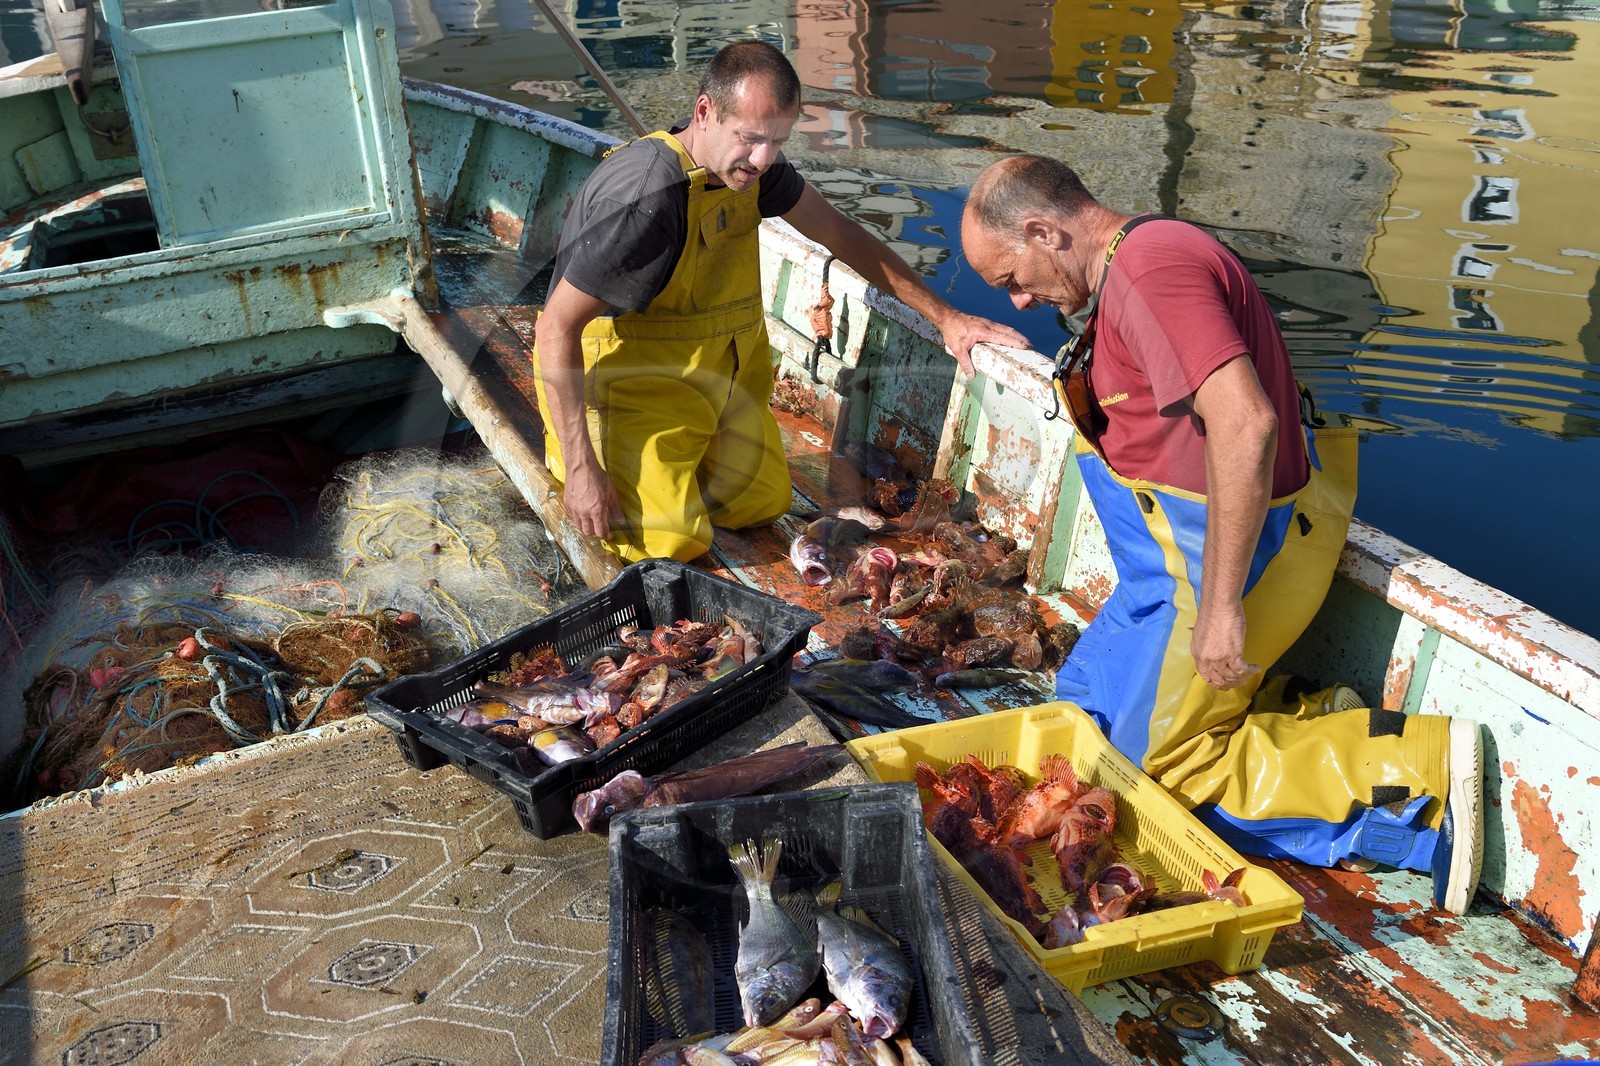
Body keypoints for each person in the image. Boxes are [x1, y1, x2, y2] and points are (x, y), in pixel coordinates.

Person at [960, 154, 1484, 915]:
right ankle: (1314, 712)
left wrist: (1221, 607)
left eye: (1011, 275)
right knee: (1079, 727)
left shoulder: (1151, 272)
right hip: (1160, 569)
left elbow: (1246, 420)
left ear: (1044, 230)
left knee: (1150, 783)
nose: (1017, 298)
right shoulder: (1123, 276)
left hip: (1230, 562)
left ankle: (1410, 776)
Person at [531, 41, 1028, 564]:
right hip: (626, 385)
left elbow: (841, 233)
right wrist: (584, 470)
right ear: (705, 112)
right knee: (674, 542)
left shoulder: (750, 166)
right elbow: (555, 330)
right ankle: (586, 455)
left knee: (762, 504)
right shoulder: (645, 202)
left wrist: (947, 318)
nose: (763, 159)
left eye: (777, 141)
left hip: (713, 385)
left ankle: (671, 470)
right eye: (750, 138)